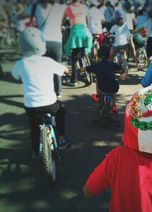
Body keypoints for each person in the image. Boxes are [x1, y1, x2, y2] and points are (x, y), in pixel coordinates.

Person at [11, 27, 70, 159]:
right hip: (49, 102)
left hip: (31, 105)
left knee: (34, 126)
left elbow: (15, 75)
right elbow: (64, 70)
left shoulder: (21, 64)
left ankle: (35, 152)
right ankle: (61, 139)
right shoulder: (48, 62)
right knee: (61, 112)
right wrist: (66, 71)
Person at [35, 0, 66, 97]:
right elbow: (63, 20)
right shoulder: (60, 7)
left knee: (43, 68)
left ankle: (44, 90)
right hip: (56, 41)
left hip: (42, 42)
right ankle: (58, 92)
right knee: (57, 67)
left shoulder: (38, 7)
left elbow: (34, 22)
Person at [82, 45, 125, 113]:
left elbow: (85, 69)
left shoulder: (96, 65)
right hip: (114, 87)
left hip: (102, 89)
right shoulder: (112, 64)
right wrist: (121, 73)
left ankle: (98, 96)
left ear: (98, 56)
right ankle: (114, 105)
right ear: (109, 56)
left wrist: (80, 69)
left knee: (97, 79)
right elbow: (121, 69)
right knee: (113, 90)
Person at [62, 0, 93, 86]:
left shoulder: (69, 8)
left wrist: (62, 25)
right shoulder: (84, 7)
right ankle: (84, 62)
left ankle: (74, 80)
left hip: (75, 32)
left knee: (74, 58)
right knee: (82, 52)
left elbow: (63, 19)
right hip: (84, 32)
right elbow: (87, 21)